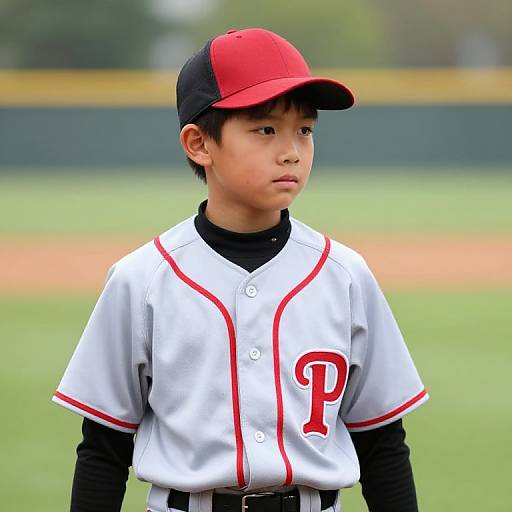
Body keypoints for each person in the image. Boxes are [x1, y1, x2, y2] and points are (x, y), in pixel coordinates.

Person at [53, 27, 429, 512]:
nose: (292, 149)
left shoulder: (345, 275)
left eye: (305, 130)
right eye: (266, 129)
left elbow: (382, 445)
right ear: (199, 144)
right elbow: (103, 451)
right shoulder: (142, 279)